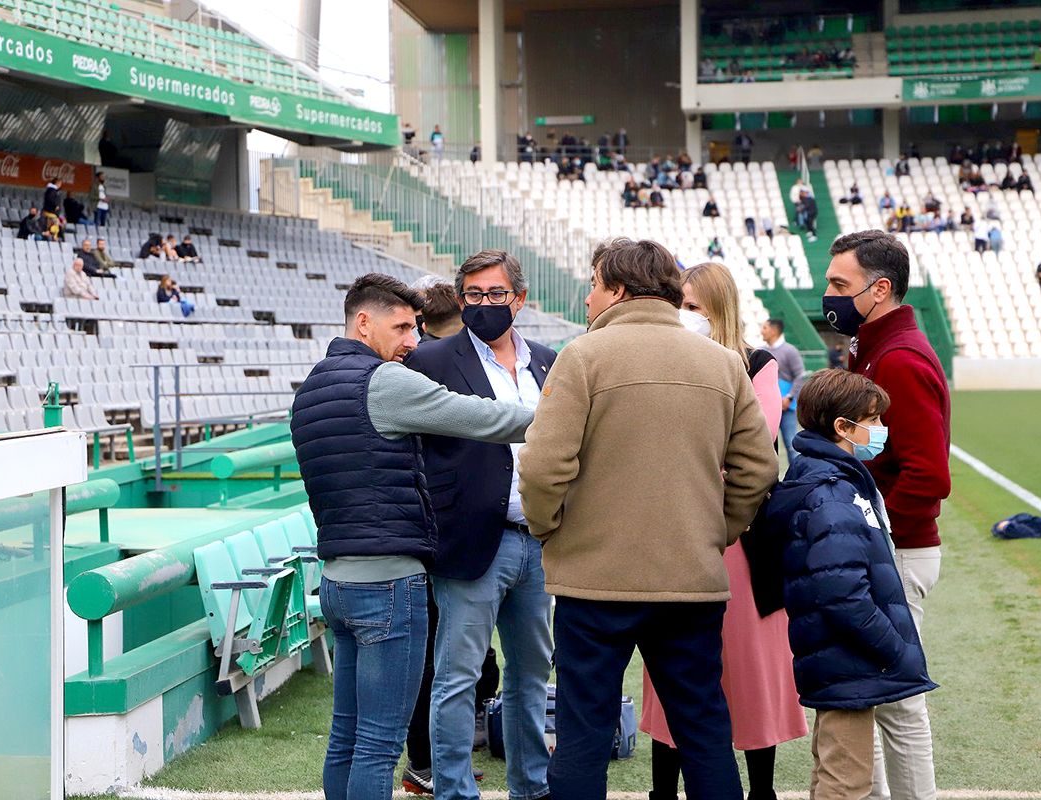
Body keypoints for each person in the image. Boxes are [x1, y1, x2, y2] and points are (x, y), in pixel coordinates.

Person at [518, 238, 779, 800]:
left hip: (594, 581)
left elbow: (542, 468)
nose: (587, 300)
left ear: (617, 288)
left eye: (593, 285)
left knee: (584, 731)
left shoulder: (583, 356)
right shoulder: (723, 362)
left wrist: (548, 528)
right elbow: (759, 469)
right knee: (704, 729)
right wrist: (716, 532)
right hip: (691, 578)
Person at [289, 274, 534, 800]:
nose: (412, 341)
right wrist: (562, 417)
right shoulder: (385, 382)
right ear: (363, 322)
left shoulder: (311, 386)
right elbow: (480, 416)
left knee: (346, 736)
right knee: (378, 744)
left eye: (415, 327)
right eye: (400, 327)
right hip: (389, 584)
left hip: (335, 581)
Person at [641, 262, 806, 800]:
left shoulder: (756, 364)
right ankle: (664, 789)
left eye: (693, 307)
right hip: (677, 533)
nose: (684, 316)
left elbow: (750, 451)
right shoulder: (662, 360)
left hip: (744, 540)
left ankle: (762, 790)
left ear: (718, 309)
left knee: (752, 667)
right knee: (672, 663)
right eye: (678, 306)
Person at [406, 251, 556, 800]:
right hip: (470, 544)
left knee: (530, 677)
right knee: (456, 678)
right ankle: (453, 791)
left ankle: (531, 789)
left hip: (539, 542)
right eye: (473, 295)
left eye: (495, 295)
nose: (484, 304)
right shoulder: (433, 361)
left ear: (519, 298)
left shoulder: (548, 361)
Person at [765, 369, 937, 800]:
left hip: (841, 662)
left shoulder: (835, 480)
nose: (881, 430)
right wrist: (895, 649)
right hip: (849, 664)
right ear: (842, 427)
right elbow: (842, 593)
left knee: (835, 772)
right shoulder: (831, 492)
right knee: (847, 781)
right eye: (874, 420)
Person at [822, 230, 950, 800]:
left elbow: (929, 474)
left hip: (894, 550)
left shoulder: (898, 359)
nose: (829, 294)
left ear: (879, 289)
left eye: (839, 284)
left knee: (898, 705)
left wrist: (869, 532)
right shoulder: (872, 346)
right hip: (881, 546)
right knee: (863, 698)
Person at [760, 318, 806, 464]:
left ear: (774, 331)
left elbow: (800, 375)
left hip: (787, 407)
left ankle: (796, 478)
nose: (762, 331)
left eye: (765, 328)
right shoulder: (761, 351)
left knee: (791, 445)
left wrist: (789, 397)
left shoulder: (790, 351)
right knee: (765, 446)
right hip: (767, 408)